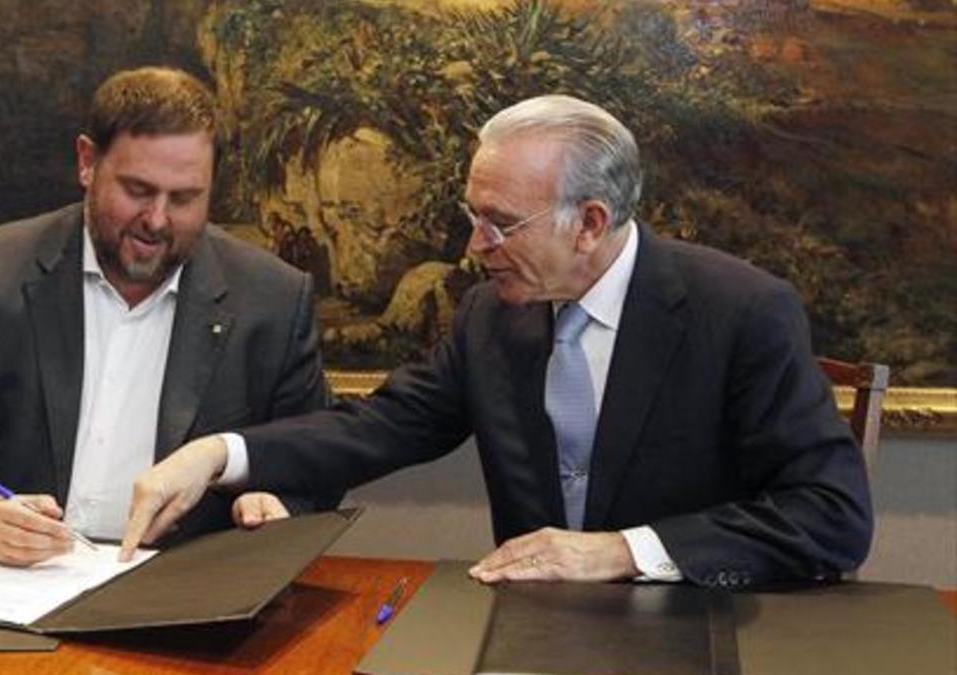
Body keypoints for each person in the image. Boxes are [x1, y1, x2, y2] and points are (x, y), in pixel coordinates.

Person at [116, 94, 874, 588]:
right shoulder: (491, 316)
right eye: (472, 213)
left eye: (501, 223)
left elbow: (830, 515)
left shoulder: (740, 311)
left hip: (695, 629)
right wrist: (219, 454)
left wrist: (625, 549)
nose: (475, 244)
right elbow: (378, 426)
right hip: (530, 636)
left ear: (591, 223)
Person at [0, 66, 334, 567]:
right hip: (15, 580)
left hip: (185, 589)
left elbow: (316, 455)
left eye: (185, 198)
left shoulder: (272, 298)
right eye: (138, 190)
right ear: (88, 162)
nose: (157, 220)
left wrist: (278, 504)